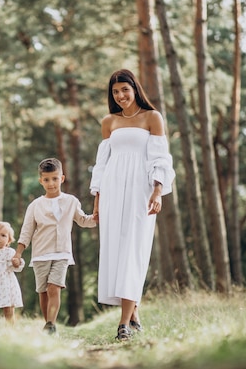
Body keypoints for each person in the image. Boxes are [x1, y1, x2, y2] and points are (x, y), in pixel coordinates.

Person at [90, 69, 175, 341]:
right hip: (113, 191)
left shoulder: (152, 117)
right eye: (116, 92)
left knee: (134, 250)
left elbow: (160, 157)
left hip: (141, 190)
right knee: (116, 250)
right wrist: (97, 201)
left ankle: (123, 323)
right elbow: (102, 165)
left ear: (135, 89)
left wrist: (157, 190)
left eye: (125, 89)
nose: (121, 95)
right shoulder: (109, 122)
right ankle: (133, 312)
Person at [12, 158, 96, 335]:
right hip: (40, 254)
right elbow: (27, 231)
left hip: (62, 253)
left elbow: (83, 220)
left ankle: (51, 323)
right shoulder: (35, 205)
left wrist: (97, 216)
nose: (51, 183)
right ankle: (48, 325)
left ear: (62, 178)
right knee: (43, 292)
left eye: (55, 179)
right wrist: (19, 253)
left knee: (53, 287)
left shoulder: (71, 201)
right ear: (40, 180)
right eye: (47, 179)